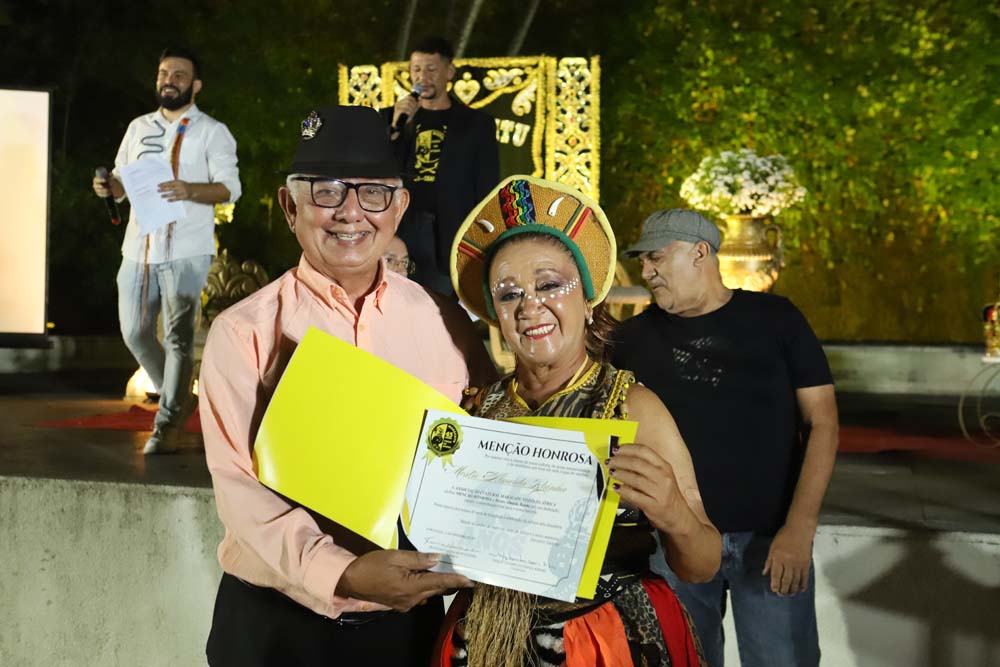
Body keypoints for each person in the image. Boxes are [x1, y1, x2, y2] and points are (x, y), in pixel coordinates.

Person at [198, 105, 496, 666]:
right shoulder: (243, 332)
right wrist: (343, 571)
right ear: (290, 206)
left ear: (400, 206)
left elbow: (485, 447)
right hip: (275, 626)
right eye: (327, 191)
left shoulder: (446, 322)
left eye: (373, 193)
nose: (351, 212)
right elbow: (237, 488)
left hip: (406, 630)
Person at [440, 176, 722, 667]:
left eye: (549, 285)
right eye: (509, 294)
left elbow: (702, 566)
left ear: (588, 300)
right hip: (485, 640)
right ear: (495, 315)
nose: (530, 307)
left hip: (605, 643)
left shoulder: (633, 408)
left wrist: (675, 512)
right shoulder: (477, 412)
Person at [613, 209, 839, 667]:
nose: (647, 271)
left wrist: (800, 528)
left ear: (700, 253)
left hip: (770, 541)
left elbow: (823, 423)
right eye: (642, 261)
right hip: (673, 544)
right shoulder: (629, 340)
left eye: (656, 257)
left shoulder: (777, 319)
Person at [92, 47, 241, 454]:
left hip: (187, 249)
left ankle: (169, 421)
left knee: (178, 338)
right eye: (163, 73)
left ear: (196, 85)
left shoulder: (213, 131)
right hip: (138, 248)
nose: (169, 80)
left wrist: (189, 189)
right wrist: (108, 187)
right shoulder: (138, 128)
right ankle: (179, 397)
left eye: (179, 74)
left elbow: (230, 188)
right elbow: (121, 184)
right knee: (135, 332)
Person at [386, 35, 500, 296]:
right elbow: (379, 171)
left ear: (449, 72)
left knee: (439, 304)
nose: (422, 77)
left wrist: (483, 239)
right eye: (416, 69)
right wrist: (395, 128)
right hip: (401, 227)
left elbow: (486, 185)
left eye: (431, 69)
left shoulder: (477, 125)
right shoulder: (395, 119)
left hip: (448, 231)